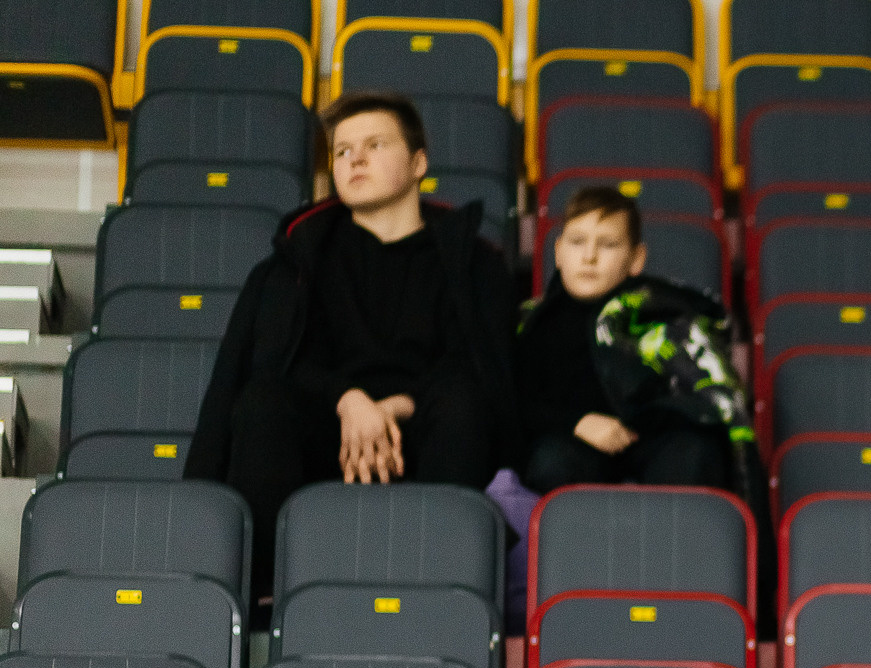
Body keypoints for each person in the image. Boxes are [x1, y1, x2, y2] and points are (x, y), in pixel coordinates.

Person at [186, 92, 517, 602]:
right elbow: (275, 365)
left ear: (418, 163)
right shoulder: (292, 265)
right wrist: (350, 401)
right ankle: (266, 592)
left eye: (374, 145)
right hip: (325, 432)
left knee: (464, 404)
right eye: (341, 151)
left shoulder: (475, 265)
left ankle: (443, 587)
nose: (354, 159)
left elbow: (480, 369)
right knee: (263, 405)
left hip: (426, 433)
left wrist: (394, 407)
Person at [515, 186, 742, 495]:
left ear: (636, 259)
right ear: (558, 252)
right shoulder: (531, 322)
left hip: (653, 438)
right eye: (577, 242)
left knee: (694, 454)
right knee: (551, 462)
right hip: (574, 440)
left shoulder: (664, 312)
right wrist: (577, 423)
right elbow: (516, 400)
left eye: (608, 245)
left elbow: (704, 398)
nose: (589, 256)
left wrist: (643, 422)